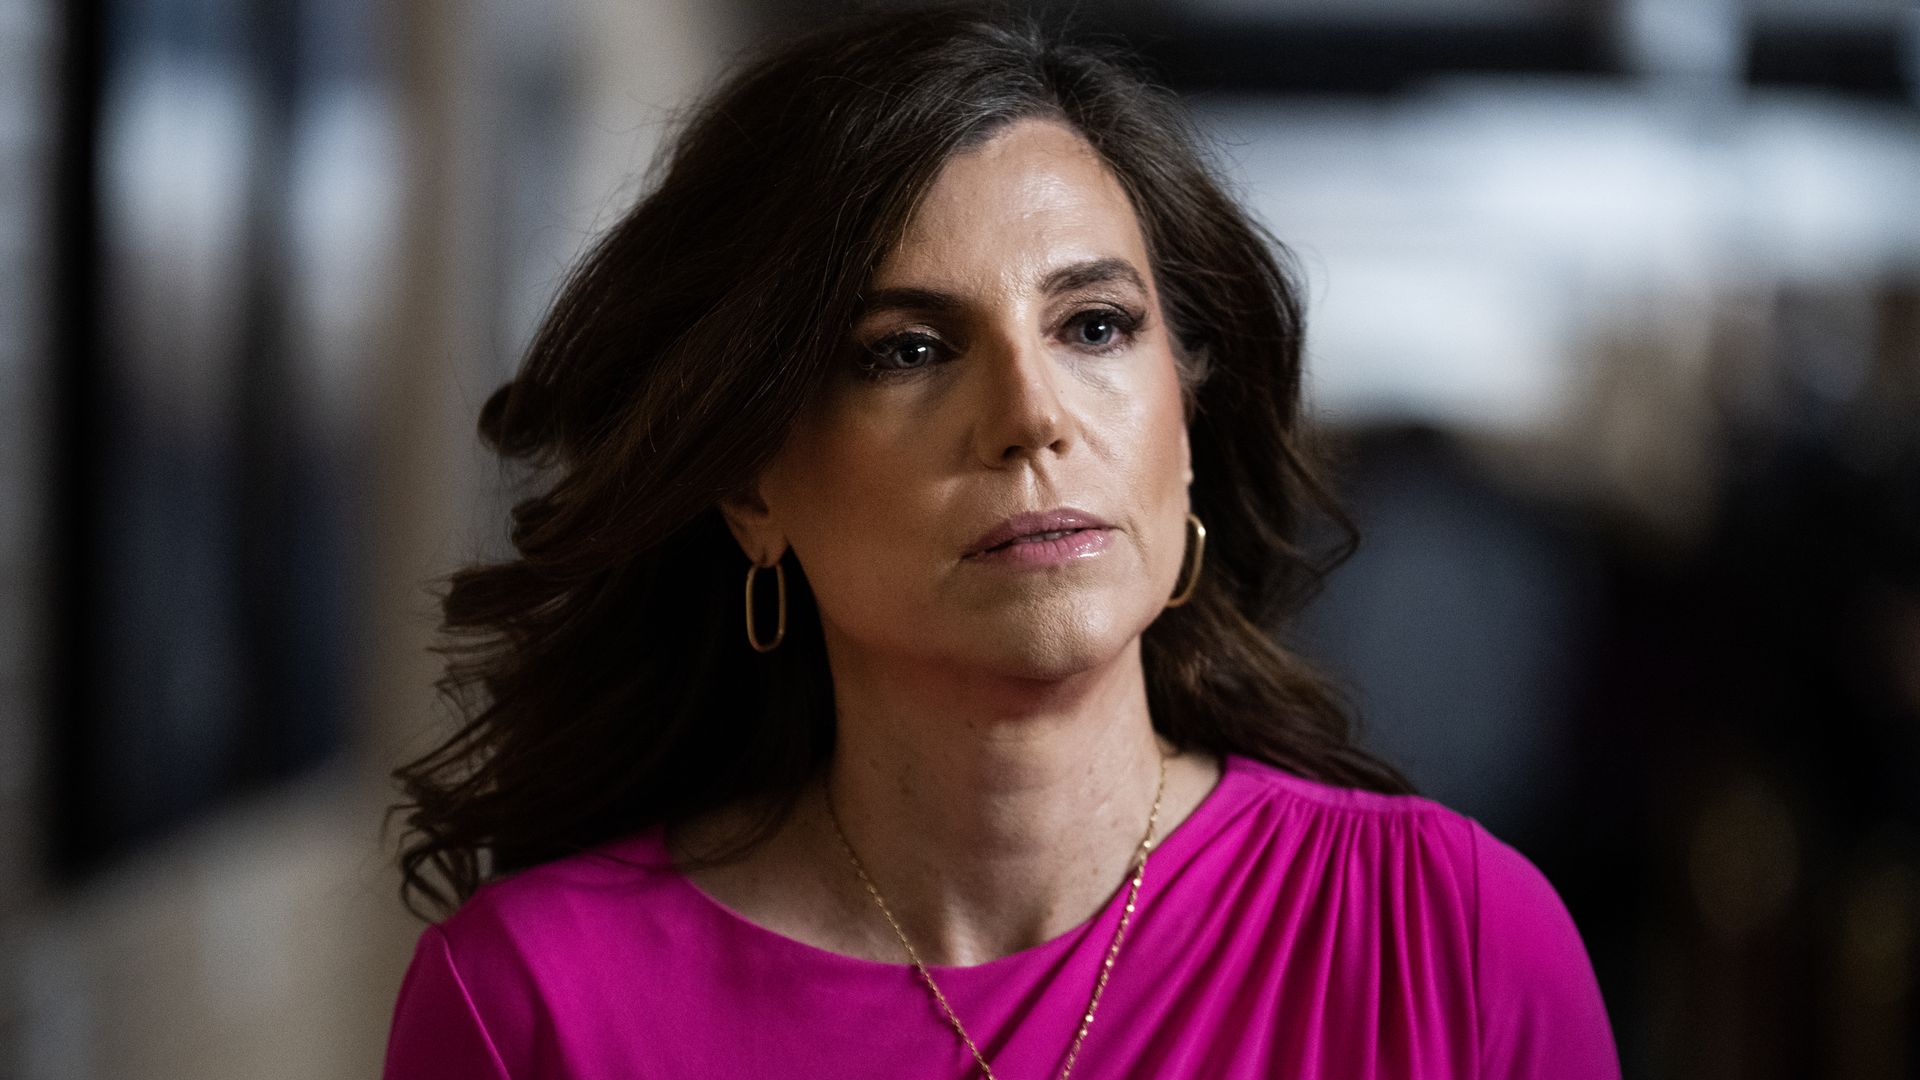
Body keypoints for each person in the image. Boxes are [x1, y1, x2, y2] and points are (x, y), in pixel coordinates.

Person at [380, 6, 1622, 1078]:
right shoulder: (532, 1006)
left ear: (1184, 426)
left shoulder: (1447, 939)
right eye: (908, 351)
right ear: (751, 489)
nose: (1031, 415)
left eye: (1093, 326)